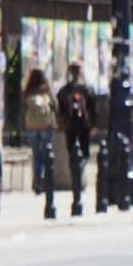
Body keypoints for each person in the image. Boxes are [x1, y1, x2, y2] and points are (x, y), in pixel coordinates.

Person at [55, 62, 94, 215]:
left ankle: (74, 174)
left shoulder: (64, 90)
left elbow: (61, 108)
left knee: (71, 151)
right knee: (85, 152)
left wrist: (63, 121)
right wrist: (93, 125)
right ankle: (79, 174)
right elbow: (92, 106)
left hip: (69, 125)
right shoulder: (86, 89)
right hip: (84, 125)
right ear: (81, 72)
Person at [20, 68, 59, 219]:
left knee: (37, 156)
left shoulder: (28, 92)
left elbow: (23, 108)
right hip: (46, 126)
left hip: (32, 127)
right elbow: (55, 105)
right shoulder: (46, 91)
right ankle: (46, 184)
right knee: (47, 155)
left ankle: (37, 185)